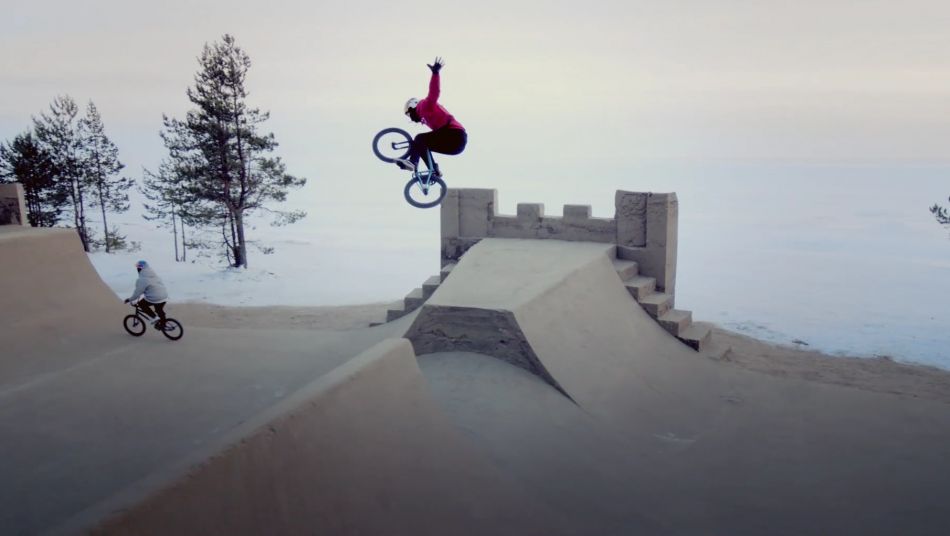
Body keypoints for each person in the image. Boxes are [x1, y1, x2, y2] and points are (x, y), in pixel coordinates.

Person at [395, 57, 468, 175]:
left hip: (455, 135)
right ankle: (434, 169)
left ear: (412, 107)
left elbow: (434, 92)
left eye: (409, 115)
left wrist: (435, 73)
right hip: (456, 145)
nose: (411, 119)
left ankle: (413, 163)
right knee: (422, 144)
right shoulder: (424, 117)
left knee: (419, 138)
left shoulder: (424, 105)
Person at [124, 260, 169, 329]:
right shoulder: (154, 275)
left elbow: (137, 293)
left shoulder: (142, 279)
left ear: (140, 269)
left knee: (142, 304)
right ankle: (163, 323)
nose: (137, 269)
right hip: (164, 296)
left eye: (138, 268)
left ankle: (154, 318)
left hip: (155, 297)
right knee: (159, 310)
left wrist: (130, 299)